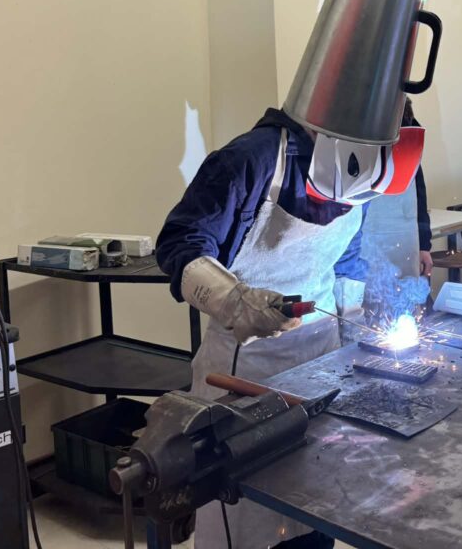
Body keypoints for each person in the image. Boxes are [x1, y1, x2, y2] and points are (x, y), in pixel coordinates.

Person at [155, 107, 372, 549]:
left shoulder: (367, 168)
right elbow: (178, 244)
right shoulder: (251, 160)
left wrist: (358, 334)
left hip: (322, 368)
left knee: (315, 508)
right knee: (249, 516)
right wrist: (235, 302)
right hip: (245, 373)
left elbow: (346, 259)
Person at [359, 98, 433, 329]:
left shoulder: (409, 129)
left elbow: (418, 188)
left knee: (406, 309)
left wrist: (424, 245)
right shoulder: (350, 134)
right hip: (363, 239)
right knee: (365, 314)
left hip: (405, 237)